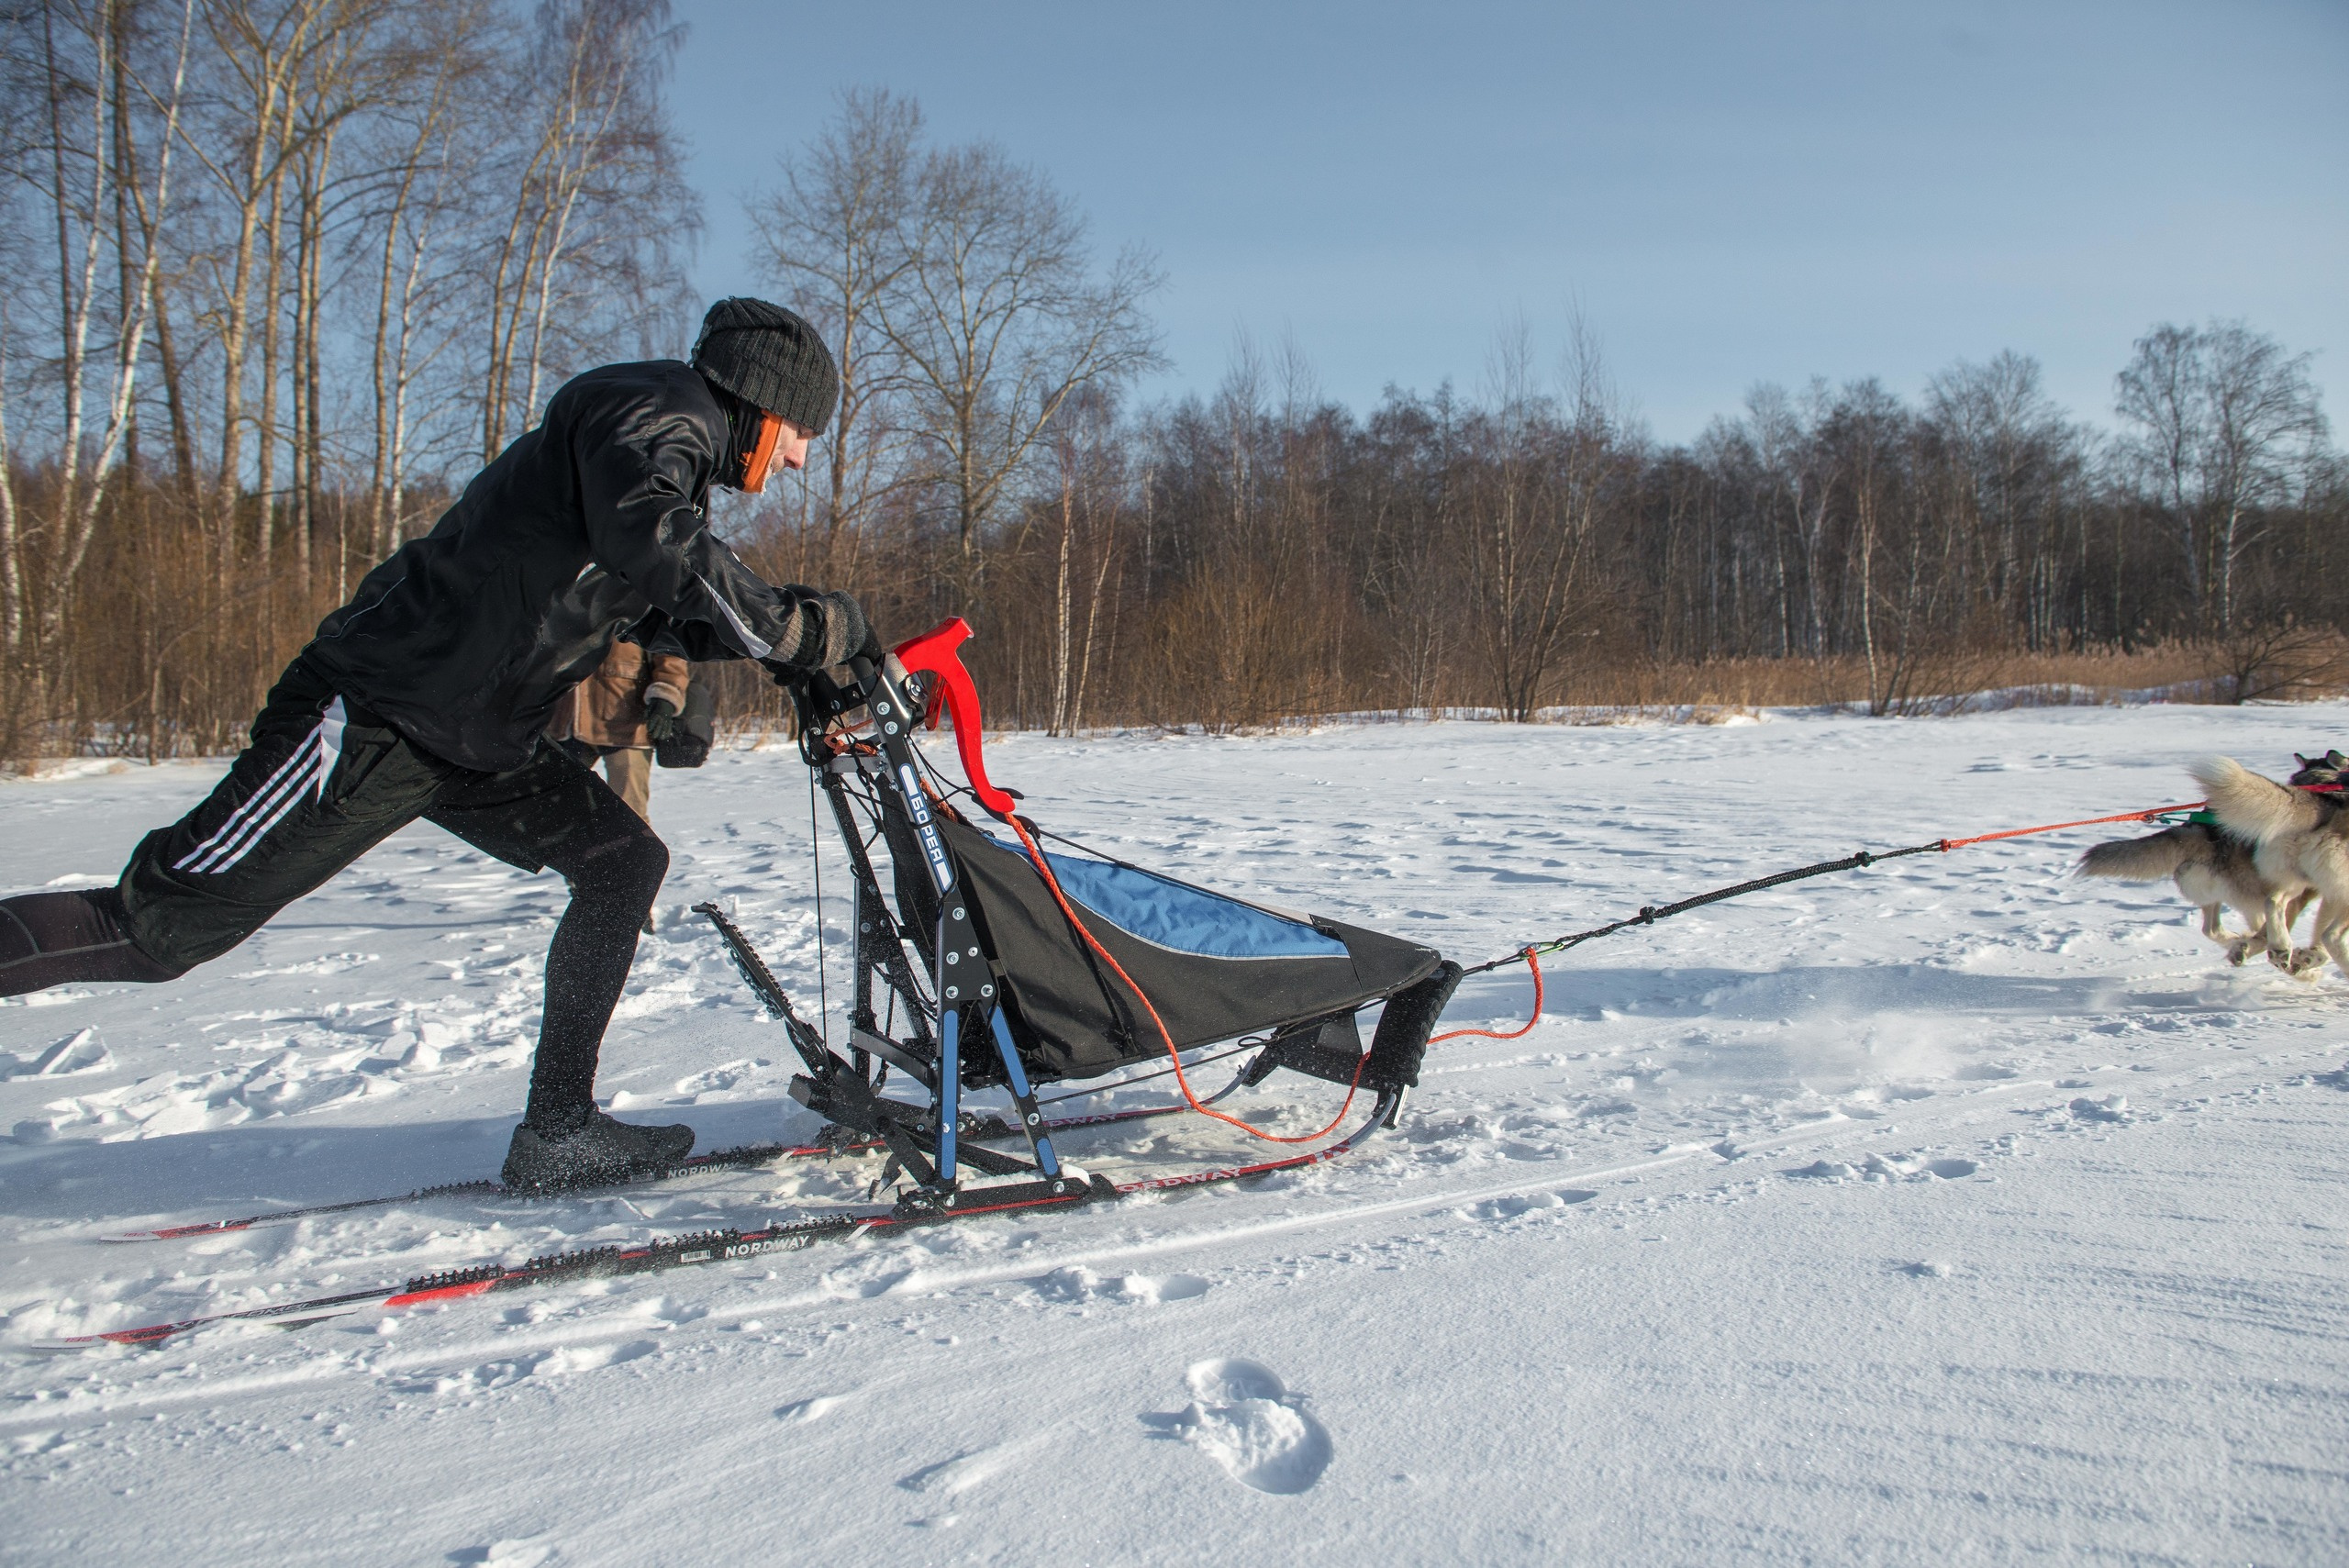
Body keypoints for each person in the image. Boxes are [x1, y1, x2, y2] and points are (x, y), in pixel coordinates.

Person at [0, 298, 879, 1192]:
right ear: (759, 401)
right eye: (802, 430)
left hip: (475, 738)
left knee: (621, 863)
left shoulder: (666, 455)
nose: (801, 455)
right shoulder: (651, 409)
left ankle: (559, 1131)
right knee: (157, 929)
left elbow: (660, 604)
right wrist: (793, 630)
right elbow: (660, 545)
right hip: (377, 714)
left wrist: (806, 640)